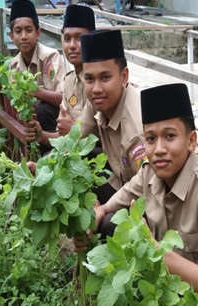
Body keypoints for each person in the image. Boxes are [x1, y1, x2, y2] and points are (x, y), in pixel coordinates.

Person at [89, 83, 198, 305]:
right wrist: (96, 213)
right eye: (151, 139)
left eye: (169, 136)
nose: (159, 149)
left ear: (191, 141)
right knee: (107, 222)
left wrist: (157, 251)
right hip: (165, 293)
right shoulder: (150, 173)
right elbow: (113, 204)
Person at [76, 29, 145, 235]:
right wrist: (45, 163)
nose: (96, 88)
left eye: (105, 77)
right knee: (82, 158)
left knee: (108, 224)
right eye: (89, 79)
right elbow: (74, 140)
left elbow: (146, 183)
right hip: (121, 183)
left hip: (148, 201)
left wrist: (104, 208)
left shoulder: (137, 129)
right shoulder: (98, 101)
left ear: (124, 77)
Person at [26, 4, 96, 146]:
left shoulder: (97, 81)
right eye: (67, 38)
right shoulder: (69, 80)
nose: (72, 45)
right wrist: (41, 135)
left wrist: (75, 131)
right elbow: (62, 135)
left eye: (79, 38)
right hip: (74, 148)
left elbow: (104, 140)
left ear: (92, 40)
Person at [7, 0, 68, 153]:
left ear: (38, 33)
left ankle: (50, 151)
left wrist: (34, 91)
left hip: (54, 122)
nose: (24, 36)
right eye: (18, 31)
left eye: (29, 30)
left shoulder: (50, 57)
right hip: (29, 126)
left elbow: (63, 98)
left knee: (41, 108)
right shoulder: (13, 66)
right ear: (11, 36)